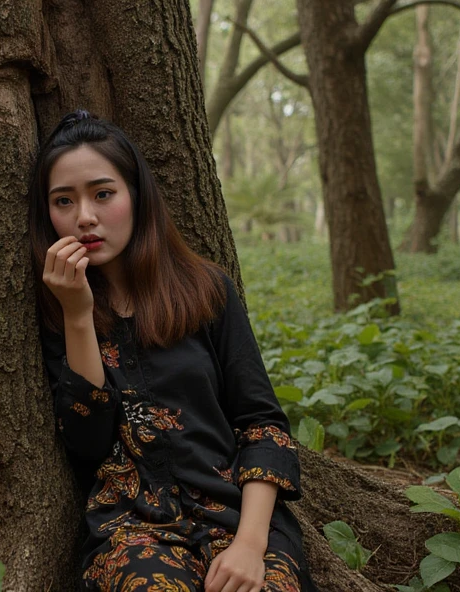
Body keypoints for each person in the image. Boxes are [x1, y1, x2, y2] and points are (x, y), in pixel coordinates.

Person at [28, 110, 316, 592]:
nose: (84, 217)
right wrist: (78, 315)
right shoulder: (52, 308)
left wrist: (248, 545)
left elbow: (262, 423)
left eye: (103, 193)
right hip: (132, 531)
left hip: (238, 517)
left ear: (136, 196)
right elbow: (88, 445)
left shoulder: (206, 292)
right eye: (64, 200)